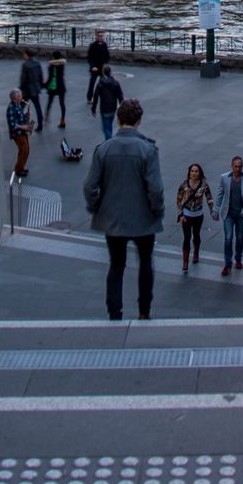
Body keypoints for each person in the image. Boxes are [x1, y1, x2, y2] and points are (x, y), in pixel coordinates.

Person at [83, 98, 165, 321]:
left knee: (116, 265)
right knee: (146, 262)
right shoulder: (148, 150)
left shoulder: (103, 149)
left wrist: (96, 207)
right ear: (139, 121)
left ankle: (114, 313)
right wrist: (157, 210)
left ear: (118, 119)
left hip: (112, 219)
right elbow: (156, 189)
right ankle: (144, 311)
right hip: (143, 219)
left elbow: (90, 186)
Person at [212, 156, 243, 275]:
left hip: (241, 213)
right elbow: (220, 194)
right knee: (228, 238)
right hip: (228, 213)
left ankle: (238, 258)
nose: (238, 168)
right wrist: (216, 210)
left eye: (240, 166)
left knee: (240, 237)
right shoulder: (225, 178)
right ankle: (227, 262)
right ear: (232, 166)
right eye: (236, 166)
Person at [176, 163, 215, 272]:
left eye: (196, 171)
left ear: (200, 173)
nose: (194, 173)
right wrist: (180, 215)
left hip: (198, 215)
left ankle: (196, 252)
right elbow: (179, 200)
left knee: (196, 235)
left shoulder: (203, 185)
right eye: (192, 171)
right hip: (186, 215)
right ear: (189, 173)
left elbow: (209, 197)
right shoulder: (183, 184)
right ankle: (185, 261)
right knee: (187, 237)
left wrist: (213, 211)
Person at [91, 64, 124, 140]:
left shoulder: (100, 84)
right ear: (110, 72)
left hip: (104, 108)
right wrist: (121, 106)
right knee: (109, 126)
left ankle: (109, 142)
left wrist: (93, 109)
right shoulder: (116, 83)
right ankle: (109, 140)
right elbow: (120, 95)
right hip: (113, 107)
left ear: (103, 72)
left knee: (105, 128)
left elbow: (95, 97)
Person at [6, 88, 32, 177]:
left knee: (27, 150)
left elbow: (20, 118)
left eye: (20, 95)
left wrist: (26, 115)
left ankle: (21, 167)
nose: (21, 97)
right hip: (17, 133)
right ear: (14, 98)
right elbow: (12, 124)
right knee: (23, 149)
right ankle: (18, 169)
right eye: (19, 96)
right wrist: (24, 127)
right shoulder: (11, 108)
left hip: (23, 132)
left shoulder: (18, 105)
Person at [19, 48, 44, 132]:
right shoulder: (37, 63)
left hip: (27, 90)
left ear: (26, 55)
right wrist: (40, 85)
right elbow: (41, 76)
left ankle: (18, 124)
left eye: (24, 54)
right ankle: (40, 125)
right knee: (38, 107)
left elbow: (23, 79)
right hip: (35, 89)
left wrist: (21, 88)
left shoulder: (25, 65)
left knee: (20, 107)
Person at [44, 49, 67, 128]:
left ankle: (47, 115)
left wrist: (45, 85)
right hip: (61, 85)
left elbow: (49, 77)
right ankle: (62, 120)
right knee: (62, 104)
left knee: (50, 101)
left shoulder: (50, 66)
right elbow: (64, 61)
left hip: (52, 86)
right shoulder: (62, 65)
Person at [86, 29, 110, 103]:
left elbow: (107, 56)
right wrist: (93, 66)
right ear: (96, 37)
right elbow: (89, 58)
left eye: (102, 36)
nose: (101, 37)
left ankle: (104, 97)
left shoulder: (105, 45)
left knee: (104, 83)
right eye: (99, 36)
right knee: (92, 83)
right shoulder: (92, 46)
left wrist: (106, 64)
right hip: (95, 68)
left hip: (102, 68)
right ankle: (89, 98)